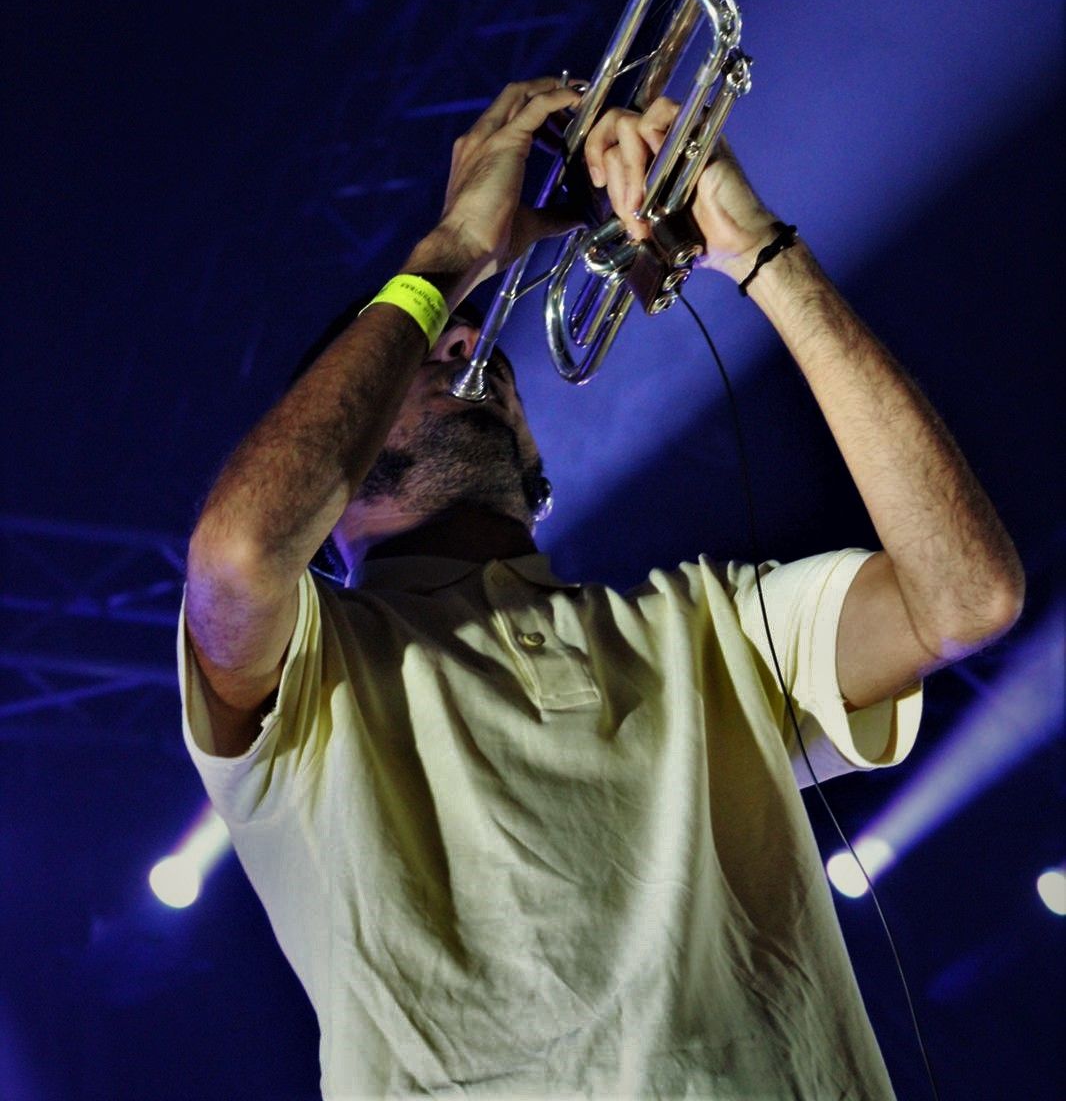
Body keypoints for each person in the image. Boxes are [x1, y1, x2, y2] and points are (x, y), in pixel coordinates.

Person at [179, 77, 1023, 1101]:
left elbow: (966, 595)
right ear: (336, 447)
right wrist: (444, 260)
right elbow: (235, 552)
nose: (462, 341)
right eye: (420, 344)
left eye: (463, 330)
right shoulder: (311, 671)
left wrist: (756, 249)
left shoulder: (705, 625)